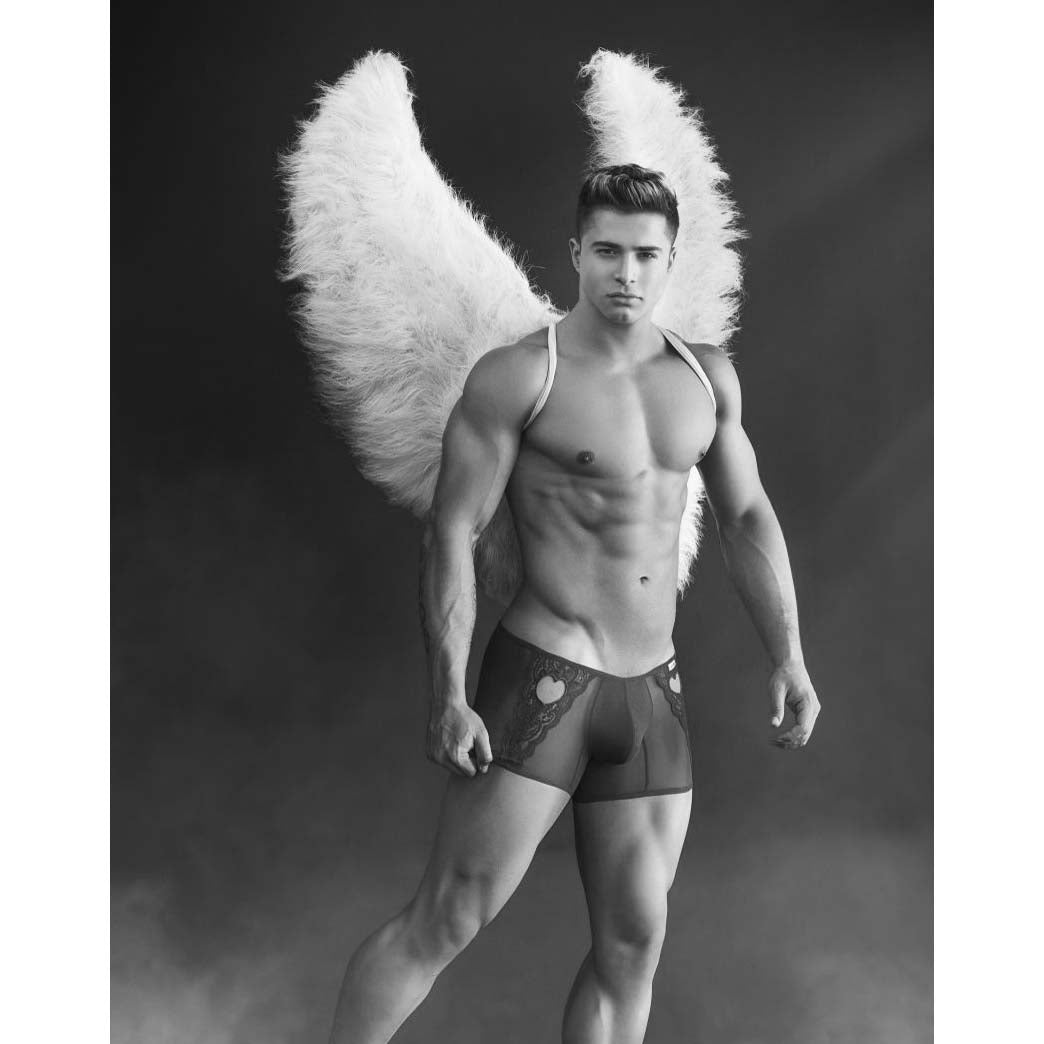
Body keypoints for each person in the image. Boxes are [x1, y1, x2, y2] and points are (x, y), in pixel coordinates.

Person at [327, 165, 821, 1044]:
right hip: (544, 678)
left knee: (634, 947)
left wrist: (789, 655)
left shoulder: (705, 378)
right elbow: (452, 530)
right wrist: (447, 692)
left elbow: (747, 516)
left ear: (671, 260)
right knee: (447, 918)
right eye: (607, 251)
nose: (625, 272)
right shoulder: (520, 377)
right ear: (576, 254)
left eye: (645, 255)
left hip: (653, 692)